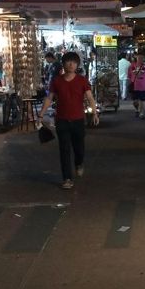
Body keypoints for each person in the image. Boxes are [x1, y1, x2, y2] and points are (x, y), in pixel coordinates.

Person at [39, 51, 99, 189]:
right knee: (64, 149)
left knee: (79, 148)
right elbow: (49, 98)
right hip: (62, 120)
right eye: (68, 61)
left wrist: (95, 113)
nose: (71, 64)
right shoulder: (57, 81)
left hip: (78, 120)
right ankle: (67, 178)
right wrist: (41, 114)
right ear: (64, 63)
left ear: (77, 64)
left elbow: (89, 97)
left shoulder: (82, 80)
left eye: (74, 62)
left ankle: (79, 163)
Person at [128, 53, 145, 119]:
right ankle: (137, 110)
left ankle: (142, 113)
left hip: (143, 86)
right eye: (139, 58)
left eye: (142, 58)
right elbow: (129, 76)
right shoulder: (132, 66)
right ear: (136, 58)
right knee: (135, 101)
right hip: (134, 86)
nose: (141, 59)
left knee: (142, 100)